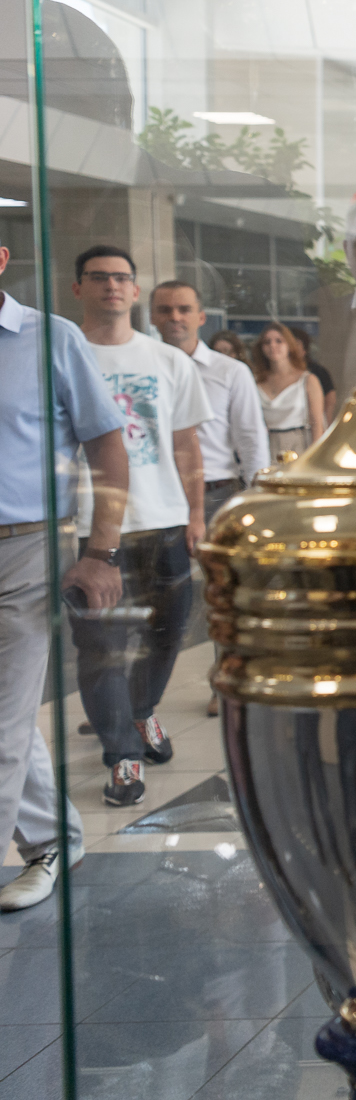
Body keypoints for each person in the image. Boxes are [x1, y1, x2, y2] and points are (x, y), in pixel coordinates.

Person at [0, 241, 126, 912]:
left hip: (27, 547)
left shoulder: (50, 338)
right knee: (10, 717)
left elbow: (106, 442)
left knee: (3, 716)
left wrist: (101, 551)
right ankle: (53, 838)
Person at [71, 245, 213, 808]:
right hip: (89, 529)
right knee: (100, 646)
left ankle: (142, 710)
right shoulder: (66, 354)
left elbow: (186, 445)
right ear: (78, 288)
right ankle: (122, 755)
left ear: (135, 291)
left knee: (168, 631)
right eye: (98, 277)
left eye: (121, 278)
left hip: (163, 519)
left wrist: (196, 514)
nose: (111, 285)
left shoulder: (168, 361)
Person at [151, 282, 270, 522]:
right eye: (165, 310)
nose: (175, 317)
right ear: (152, 318)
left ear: (201, 317)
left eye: (184, 309)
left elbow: (251, 439)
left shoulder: (231, 371)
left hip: (216, 493)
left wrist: (259, 498)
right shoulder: (144, 369)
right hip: (156, 493)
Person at [251, 323, 325, 459]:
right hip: (266, 444)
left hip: (298, 444)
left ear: (289, 345)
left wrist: (315, 456)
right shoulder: (256, 382)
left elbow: (317, 423)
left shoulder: (308, 380)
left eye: (279, 341)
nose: (273, 346)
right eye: (267, 342)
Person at [296, 330, 339, 429]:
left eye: (296, 344)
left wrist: (326, 422)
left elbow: (330, 398)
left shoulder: (316, 372)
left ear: (304, 349)